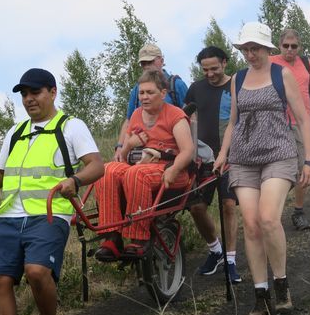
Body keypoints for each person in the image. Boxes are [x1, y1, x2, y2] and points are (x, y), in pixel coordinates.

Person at [0, 68, 104, 315]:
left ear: (52, 92)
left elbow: (96, 165)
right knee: (0, 279)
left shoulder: (71, 127)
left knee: (37, 271)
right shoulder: (15, 132)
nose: (29, 99)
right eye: (25, 95)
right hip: (10, 217)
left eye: (36, 92)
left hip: (50, 214)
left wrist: (75, 181)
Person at [213, 22, 310, 315]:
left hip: (278, 153)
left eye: (254, 48)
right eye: (245, 49)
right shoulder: (238, 79)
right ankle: (261, 294)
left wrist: (309, 159)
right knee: (251, 223)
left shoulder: (281, 74)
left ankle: (281, 285)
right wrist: (222, 154)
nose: (249, 54)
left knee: (269, 218)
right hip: (244, 158)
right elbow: (233, 121)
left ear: (268, 48)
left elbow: (303, 119)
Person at [94, 70, 194, 261]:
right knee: (107, 170)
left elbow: (187, 151)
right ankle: (111, 237)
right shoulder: (137, 115)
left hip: (170, 169)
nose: (144, 97)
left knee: (136, 174)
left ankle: (139, 238)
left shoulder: (175, 115)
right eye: (141, 93)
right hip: (140, 165)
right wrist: (129, 145)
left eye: (150, 92)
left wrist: (173, 169)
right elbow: (122, 155)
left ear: (162, 94)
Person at [185, 46, 242, 283]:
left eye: (214, 68)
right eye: (205, 69)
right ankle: (215, 251)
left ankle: (230, 260)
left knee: (228, 205)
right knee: (196, 207)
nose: (210, 73)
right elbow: (185, 118)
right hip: (202, 159)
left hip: (231, 157)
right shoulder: (195, 89)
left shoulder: (237, 86)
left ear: (225, 63)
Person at [270, 29, 310, 230]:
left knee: (303, 167)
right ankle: (272, 213)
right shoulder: (270, 63)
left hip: (301, 123)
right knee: (277, 169)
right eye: (285, 46)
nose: (289, 49)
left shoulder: (306, 63)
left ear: (299, 47)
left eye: (293, 46)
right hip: (276, 123)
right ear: (279, 46)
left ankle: (298, 211)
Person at [114, 43, 188, 163]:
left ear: (161, 60)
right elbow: (128, 121)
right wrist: (120, 147)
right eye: (144, 63)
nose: (147, 66)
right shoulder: (137, 88)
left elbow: (192, 117)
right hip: (139, 151)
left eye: (150, 62)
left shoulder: (176, 84)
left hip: (169, 152)